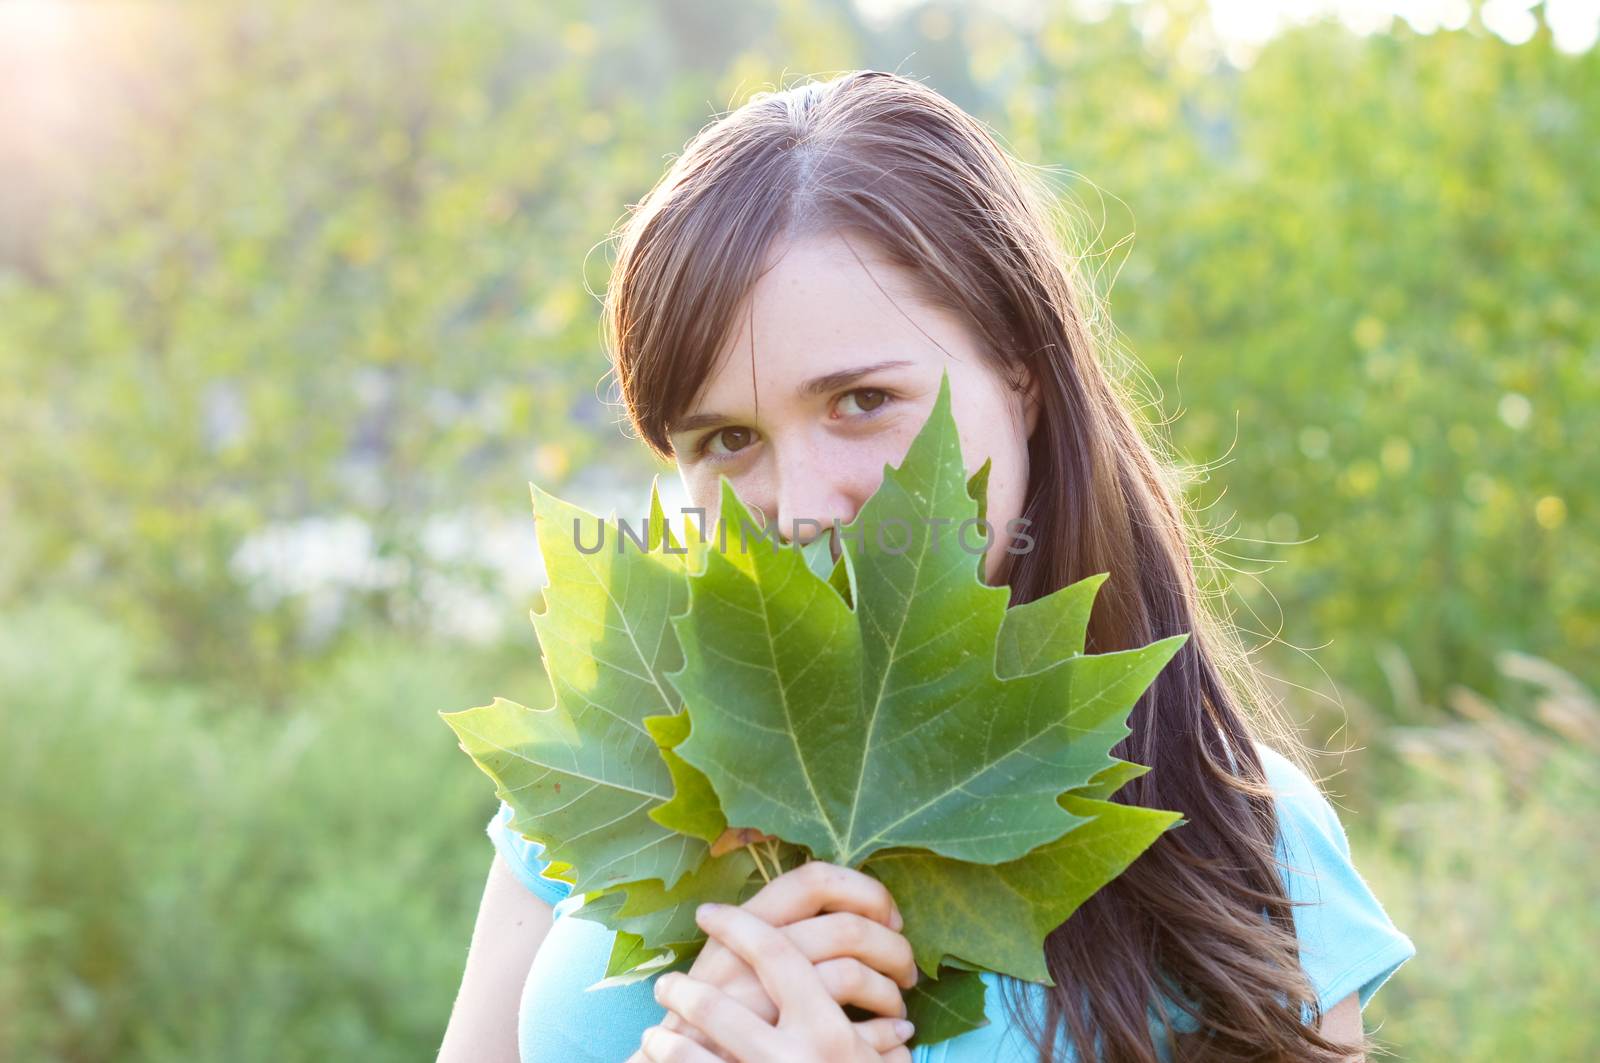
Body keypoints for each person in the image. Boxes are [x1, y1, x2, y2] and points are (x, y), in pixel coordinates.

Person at [437, 70, 1414, 1063]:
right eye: (727, 439)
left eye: (861, 401)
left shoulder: (1241, 844)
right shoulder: (614, 764)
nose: (804, 501)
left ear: (1022, 377)